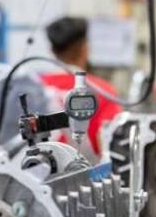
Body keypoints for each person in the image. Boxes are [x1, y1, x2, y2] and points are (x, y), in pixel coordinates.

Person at [40, 15, 123, 158]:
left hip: (34, 175)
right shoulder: (103, 91)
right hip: (88, 175)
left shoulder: (36, 88)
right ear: (85, 48)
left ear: (52, 50)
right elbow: (110, 145)